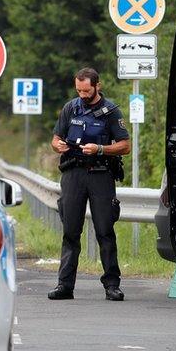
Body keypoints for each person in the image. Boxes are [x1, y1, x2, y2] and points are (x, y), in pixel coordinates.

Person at [47, 67, 131, 301]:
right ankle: (65, 286)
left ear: (97, 86)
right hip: (73, 174)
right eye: (79, 90)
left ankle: (112, 285)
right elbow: (55, 138)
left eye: (87, 90)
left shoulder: (111, 112)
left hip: (100, 174)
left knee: (105, 231)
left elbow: (125, 145)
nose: (83, 94)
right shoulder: (70, 108)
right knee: (70, 232)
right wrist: (58, 146)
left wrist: (101, 148)